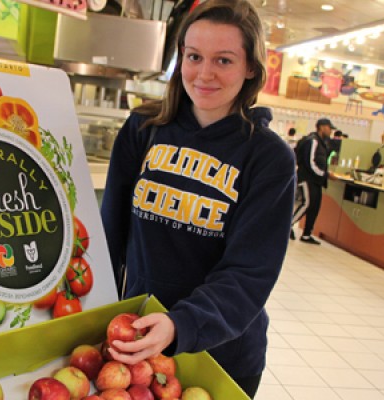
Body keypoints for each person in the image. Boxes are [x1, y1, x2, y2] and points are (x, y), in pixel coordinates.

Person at [99, 0, 296, 397]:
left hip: (220, 352)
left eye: (223, 60)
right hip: (137, 340)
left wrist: (181, 324)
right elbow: (110, 234)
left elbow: (250, 272)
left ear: (251, 68)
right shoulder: (143, 128)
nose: (204, 73)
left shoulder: (269, 158)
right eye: (194, 56)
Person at [290, 118, 336, 244]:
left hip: (316, 180)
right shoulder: (313, 141)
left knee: (314, 206)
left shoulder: (321, 143)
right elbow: (310, 163)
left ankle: (307, 234)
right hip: (307, 178)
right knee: (307, 204)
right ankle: (288, 225)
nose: (331, 130)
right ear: (321, 127)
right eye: (329, 127)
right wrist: (326, 174)